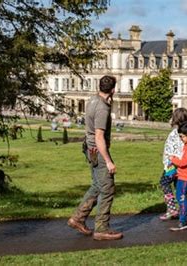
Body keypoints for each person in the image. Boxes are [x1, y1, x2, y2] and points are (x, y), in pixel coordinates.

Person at [67, 75, 123, 240]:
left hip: (89, 149)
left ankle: (78, 218)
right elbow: (99, 137)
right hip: (97, 150)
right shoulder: (102, 109)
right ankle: (102, 229)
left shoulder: (92, 100)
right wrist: (108, 161)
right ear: (113, 89)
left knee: (98, 185)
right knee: (108, 189)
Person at [159, 108, 187, 220]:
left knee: (164, 183)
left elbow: (175, 150)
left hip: (172, 166)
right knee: (178, 189)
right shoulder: (186, 133)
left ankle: (172, 209)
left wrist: (169, 162)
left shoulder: (177, 133)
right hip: (177, 165)